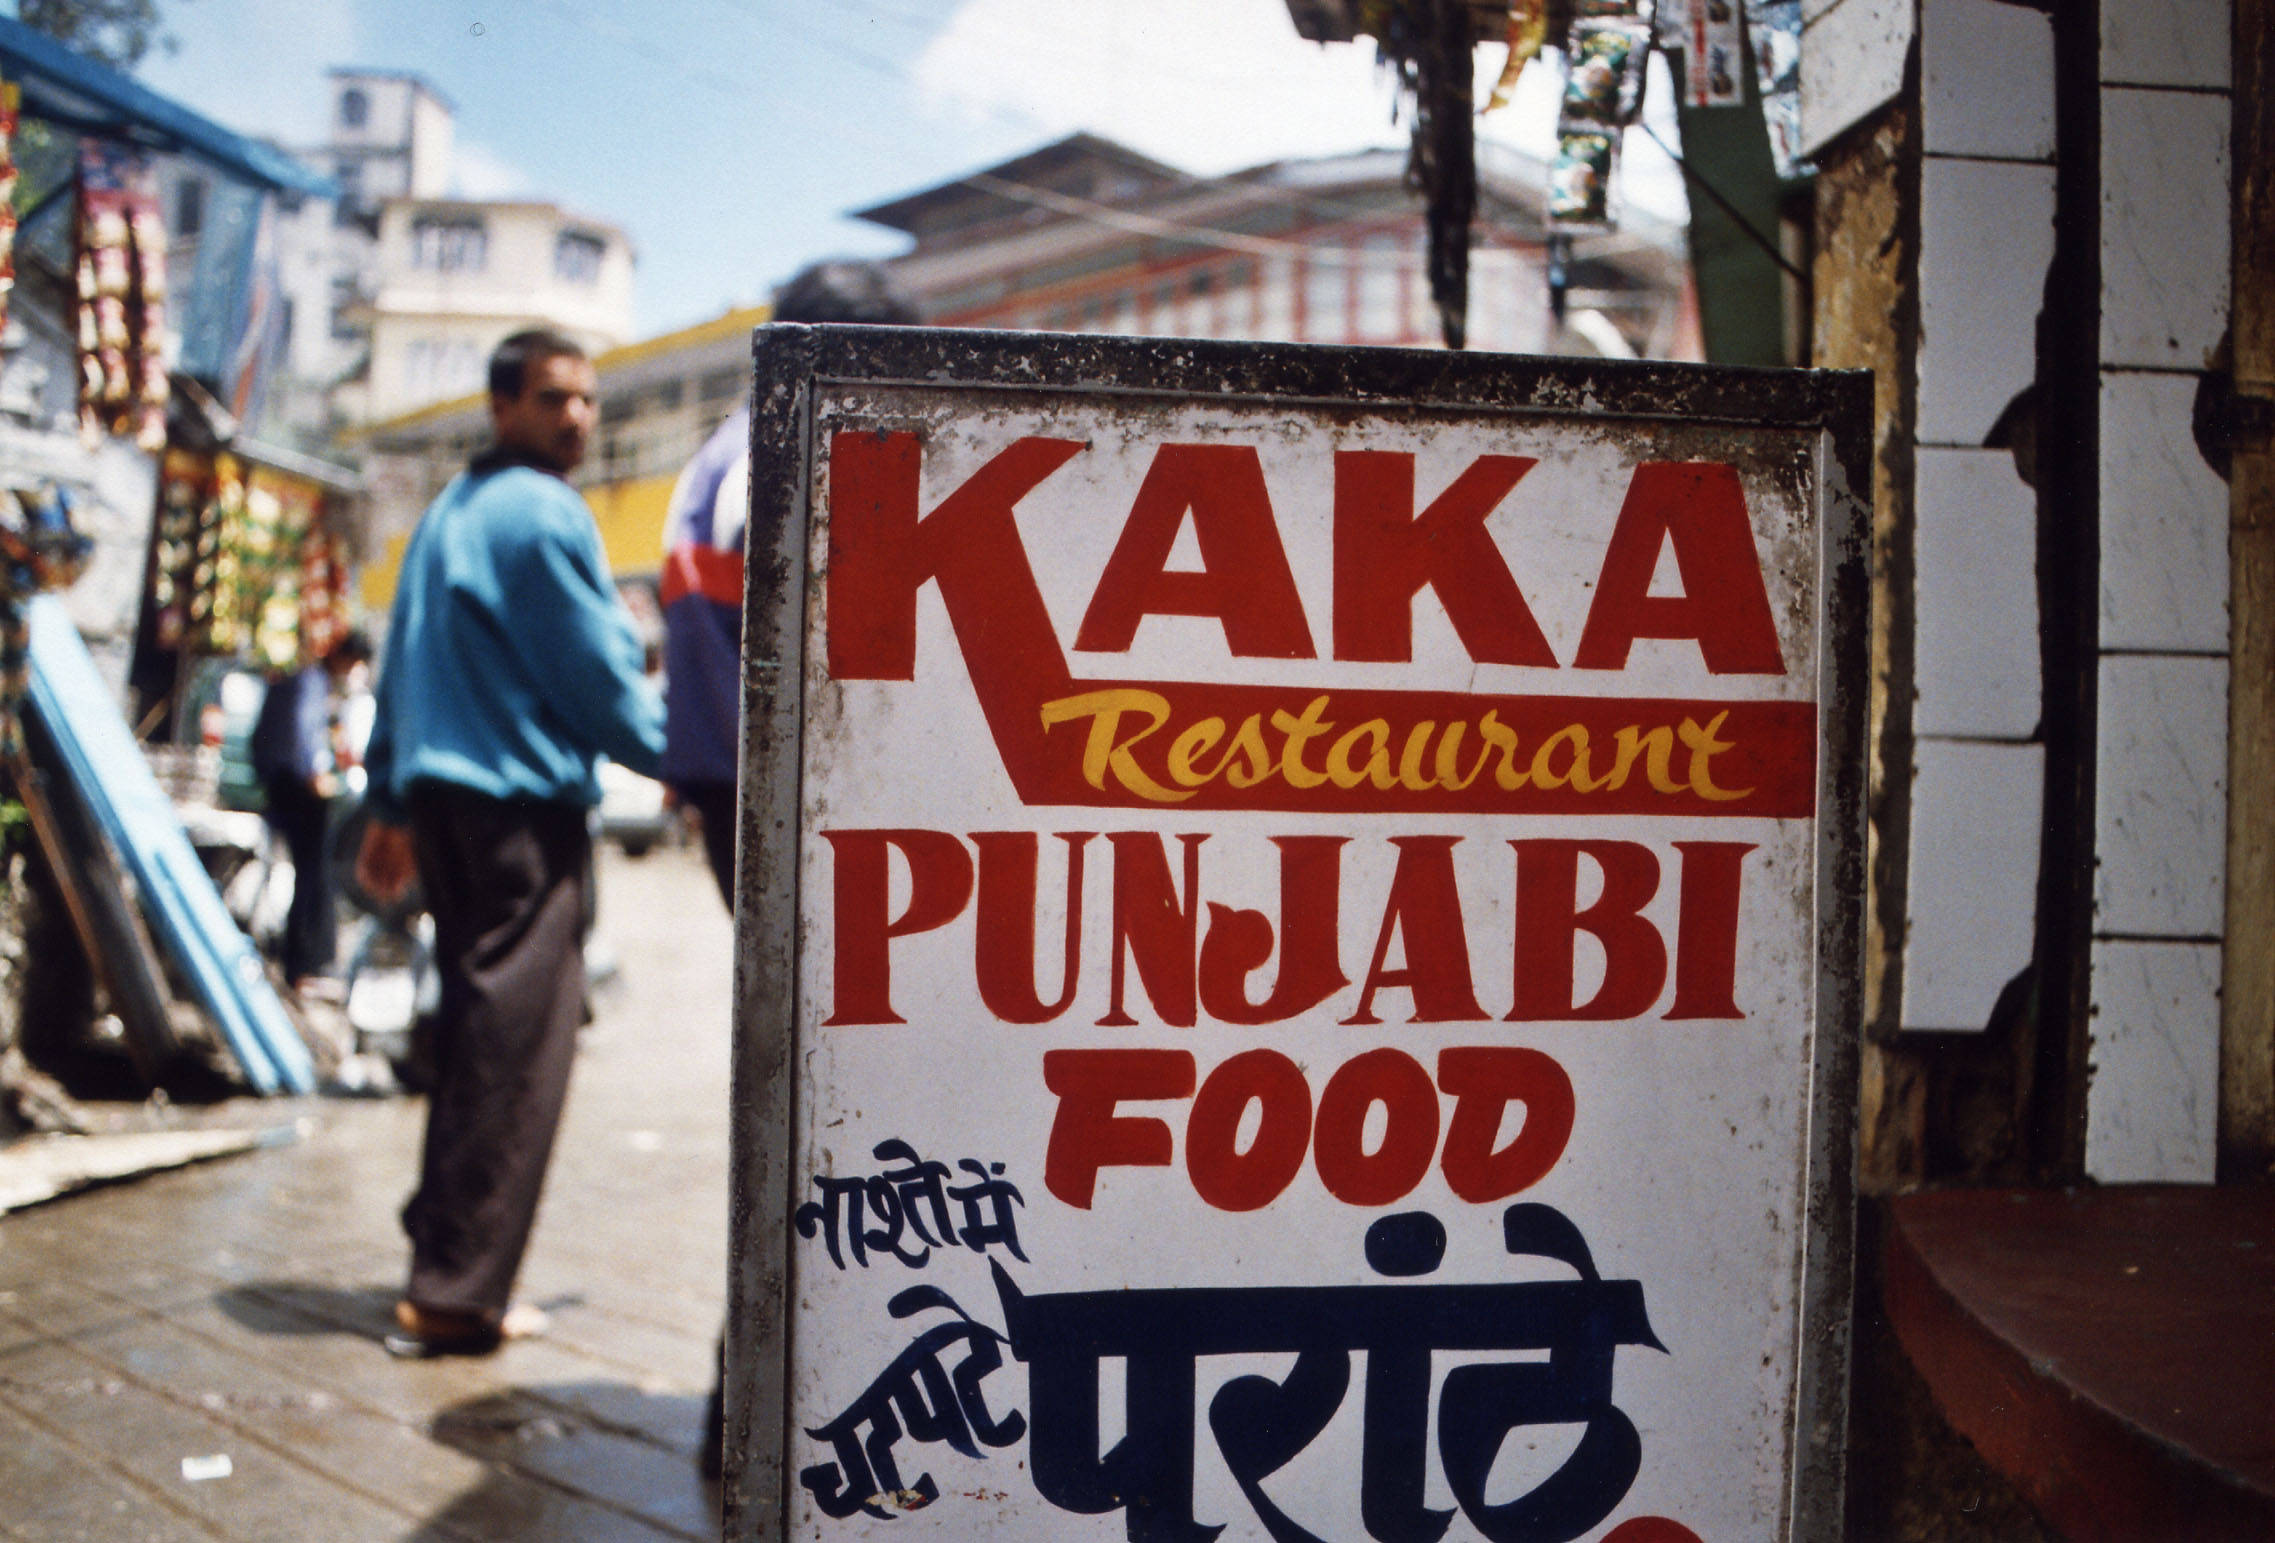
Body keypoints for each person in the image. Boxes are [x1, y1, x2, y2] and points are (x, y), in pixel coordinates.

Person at [355, 328, 665, 1359]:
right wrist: (706, 761)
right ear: (501, 409)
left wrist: (390, 799)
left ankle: (441, 1254)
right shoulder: (540, 513)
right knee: (514, 1048)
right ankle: (454, 1290)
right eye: (550, 400)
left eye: (584, 401)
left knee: (476, 1029)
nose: (574, 418)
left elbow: (399, 664)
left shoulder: (451, 515)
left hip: (445, 806)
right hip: (517, 814)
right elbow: (601, 680)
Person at [659, 261, 917, 1476]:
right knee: (835, 1103)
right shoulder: (815, 435)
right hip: (803, 804)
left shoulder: (722, 445)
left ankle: (749, 1401)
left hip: (738, 798)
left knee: (804, 1090)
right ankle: (765, 1407)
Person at [248, 629, 371, 997]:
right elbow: (303, 739)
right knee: (311, 873)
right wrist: (314, 777)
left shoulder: (313, 682)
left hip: (292, 789)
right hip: (297, 791)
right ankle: (301, 963)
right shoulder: (311, 683)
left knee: (312, 872)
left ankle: (305, 961)